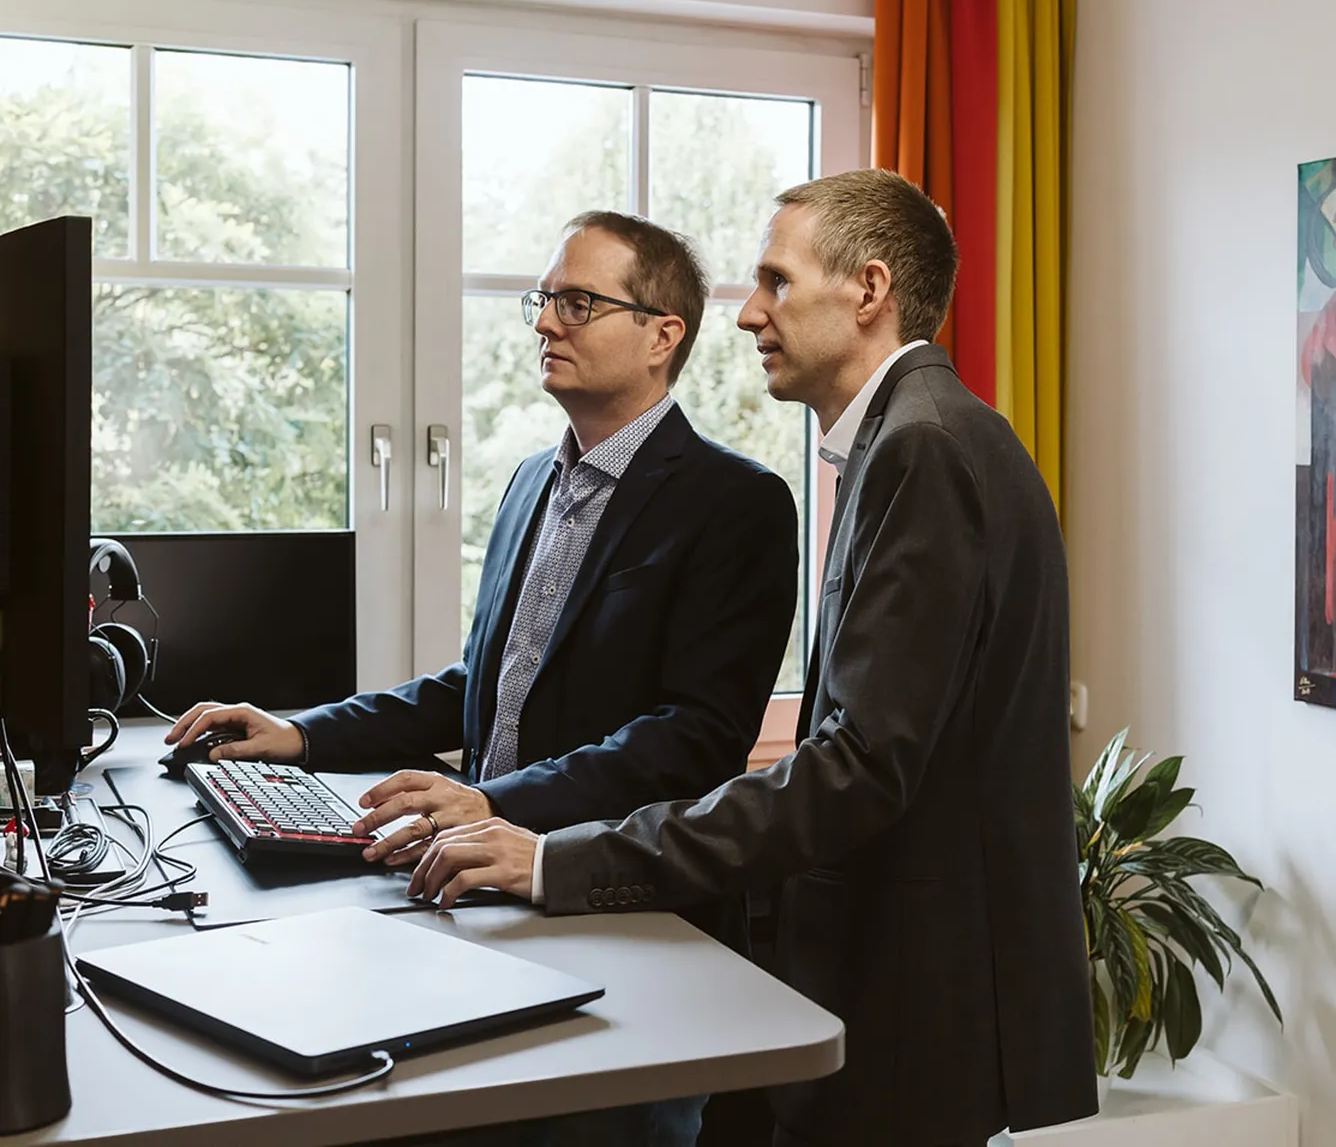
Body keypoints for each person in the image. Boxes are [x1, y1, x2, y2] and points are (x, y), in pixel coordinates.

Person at [409, 170, 1099, 1147]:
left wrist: (560, 860)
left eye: (776, 281)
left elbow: (857, 765)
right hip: (906, 977)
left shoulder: (923, 449)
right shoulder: (918, 436)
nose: (745, 314)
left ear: (868, 289)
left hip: (917, 990)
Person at [165, 211, 799, 1147]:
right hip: (488, 899)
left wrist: (491, 801)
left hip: (624, 920)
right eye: (544, 299)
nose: (545, 322)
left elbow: (692, 739)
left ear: (662, 335)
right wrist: (302, 733)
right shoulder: (531, 482)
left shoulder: (738, 503)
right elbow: (487, 684)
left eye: (577, 303)